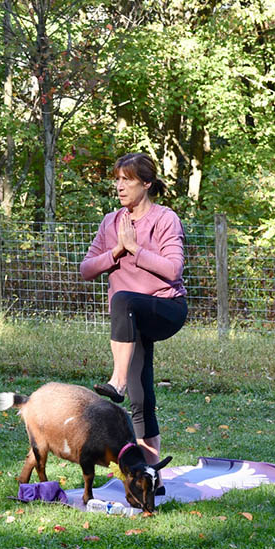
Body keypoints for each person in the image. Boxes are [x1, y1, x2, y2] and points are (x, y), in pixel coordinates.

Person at [79, 152, 187, 464]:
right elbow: (86, 269)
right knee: (141, 400)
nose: (119, 186)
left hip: (166, 309)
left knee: (123, 298)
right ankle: (153, 473)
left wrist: (135, 249)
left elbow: (173, 270)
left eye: (127, 180)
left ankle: (118, 381)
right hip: (129, 321)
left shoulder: (165, 219)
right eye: (117, 180)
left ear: (147, 183)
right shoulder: (111, 222)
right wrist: (116, 250)